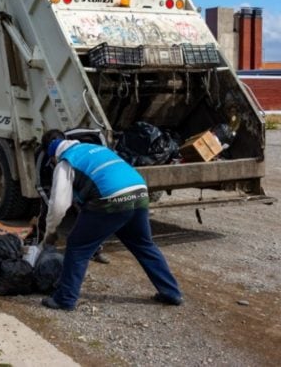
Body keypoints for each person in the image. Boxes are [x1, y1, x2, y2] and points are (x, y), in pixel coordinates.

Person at [39, 129, 183, 311]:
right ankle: (171, 292)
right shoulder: (93, 148)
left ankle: (65, 299)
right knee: (143, 244)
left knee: (77, 247)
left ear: (51, 153)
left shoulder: (65, 162)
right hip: (138, 191)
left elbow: (59, 205)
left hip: (111, 198)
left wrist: (50, 232)